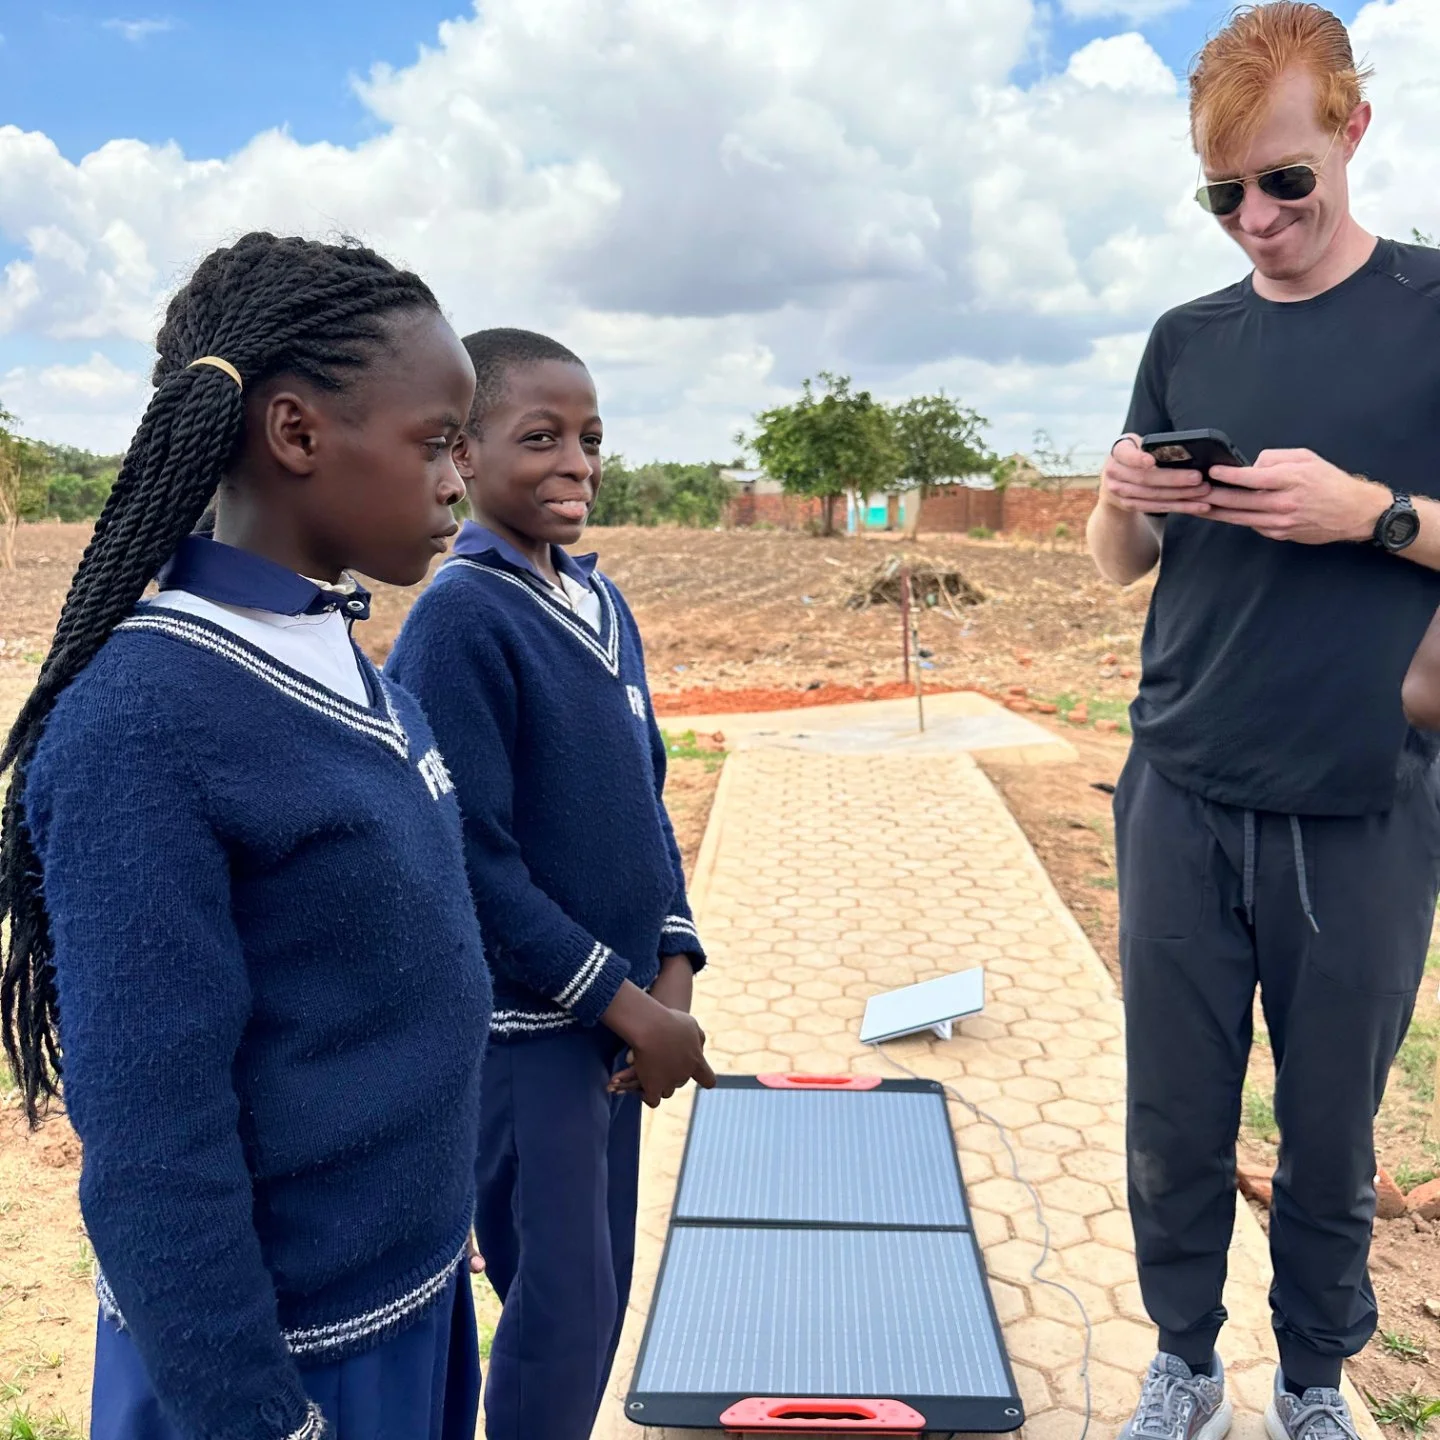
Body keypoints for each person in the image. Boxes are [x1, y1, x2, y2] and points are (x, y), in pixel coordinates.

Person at [0, 232, 492, 1440]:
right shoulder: (146, 726)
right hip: (276, 1367)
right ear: (296, 433)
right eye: (435, 443)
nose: (458, 482)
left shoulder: (335, 646)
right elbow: (154, 1148)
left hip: (410, 1303)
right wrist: (258, 1416)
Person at [1087, 7, 1440, 1440]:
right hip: (1178, 783)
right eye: (1222, 193)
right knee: (1173, 1118)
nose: (1256, 219)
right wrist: (1124, 492)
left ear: (1352, 131)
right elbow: (1117, 569)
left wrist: (1375, 515)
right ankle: (1184, 1359)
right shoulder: (1187, 337)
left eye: (1284, 181)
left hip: (1360, 800)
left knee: (1330, 1136)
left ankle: (1312, 1378)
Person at [385, 327, 715, 1440]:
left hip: (621, 1040)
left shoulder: (599, 604)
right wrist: (621, 1003)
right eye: (541, 438)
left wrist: (669, 983)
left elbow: (647, 799)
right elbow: (470, 864)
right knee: (557, 1313)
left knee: (599, 1287)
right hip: (531, 1037)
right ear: (463, 457)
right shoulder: (461, 619)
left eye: (591, 438)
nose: (577, 462)